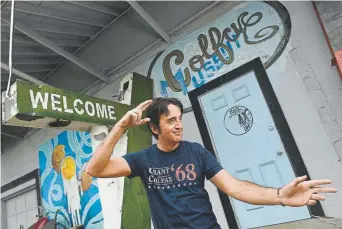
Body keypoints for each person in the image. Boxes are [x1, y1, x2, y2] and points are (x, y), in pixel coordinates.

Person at [86, 97, 337, 229]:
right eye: (171, 120)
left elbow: (235, 187)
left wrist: (281, 195)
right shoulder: (143, 159)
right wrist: (121, 126)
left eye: (179, 118)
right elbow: (96, 169)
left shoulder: (197, 152)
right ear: (154, 127)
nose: (179, 124)